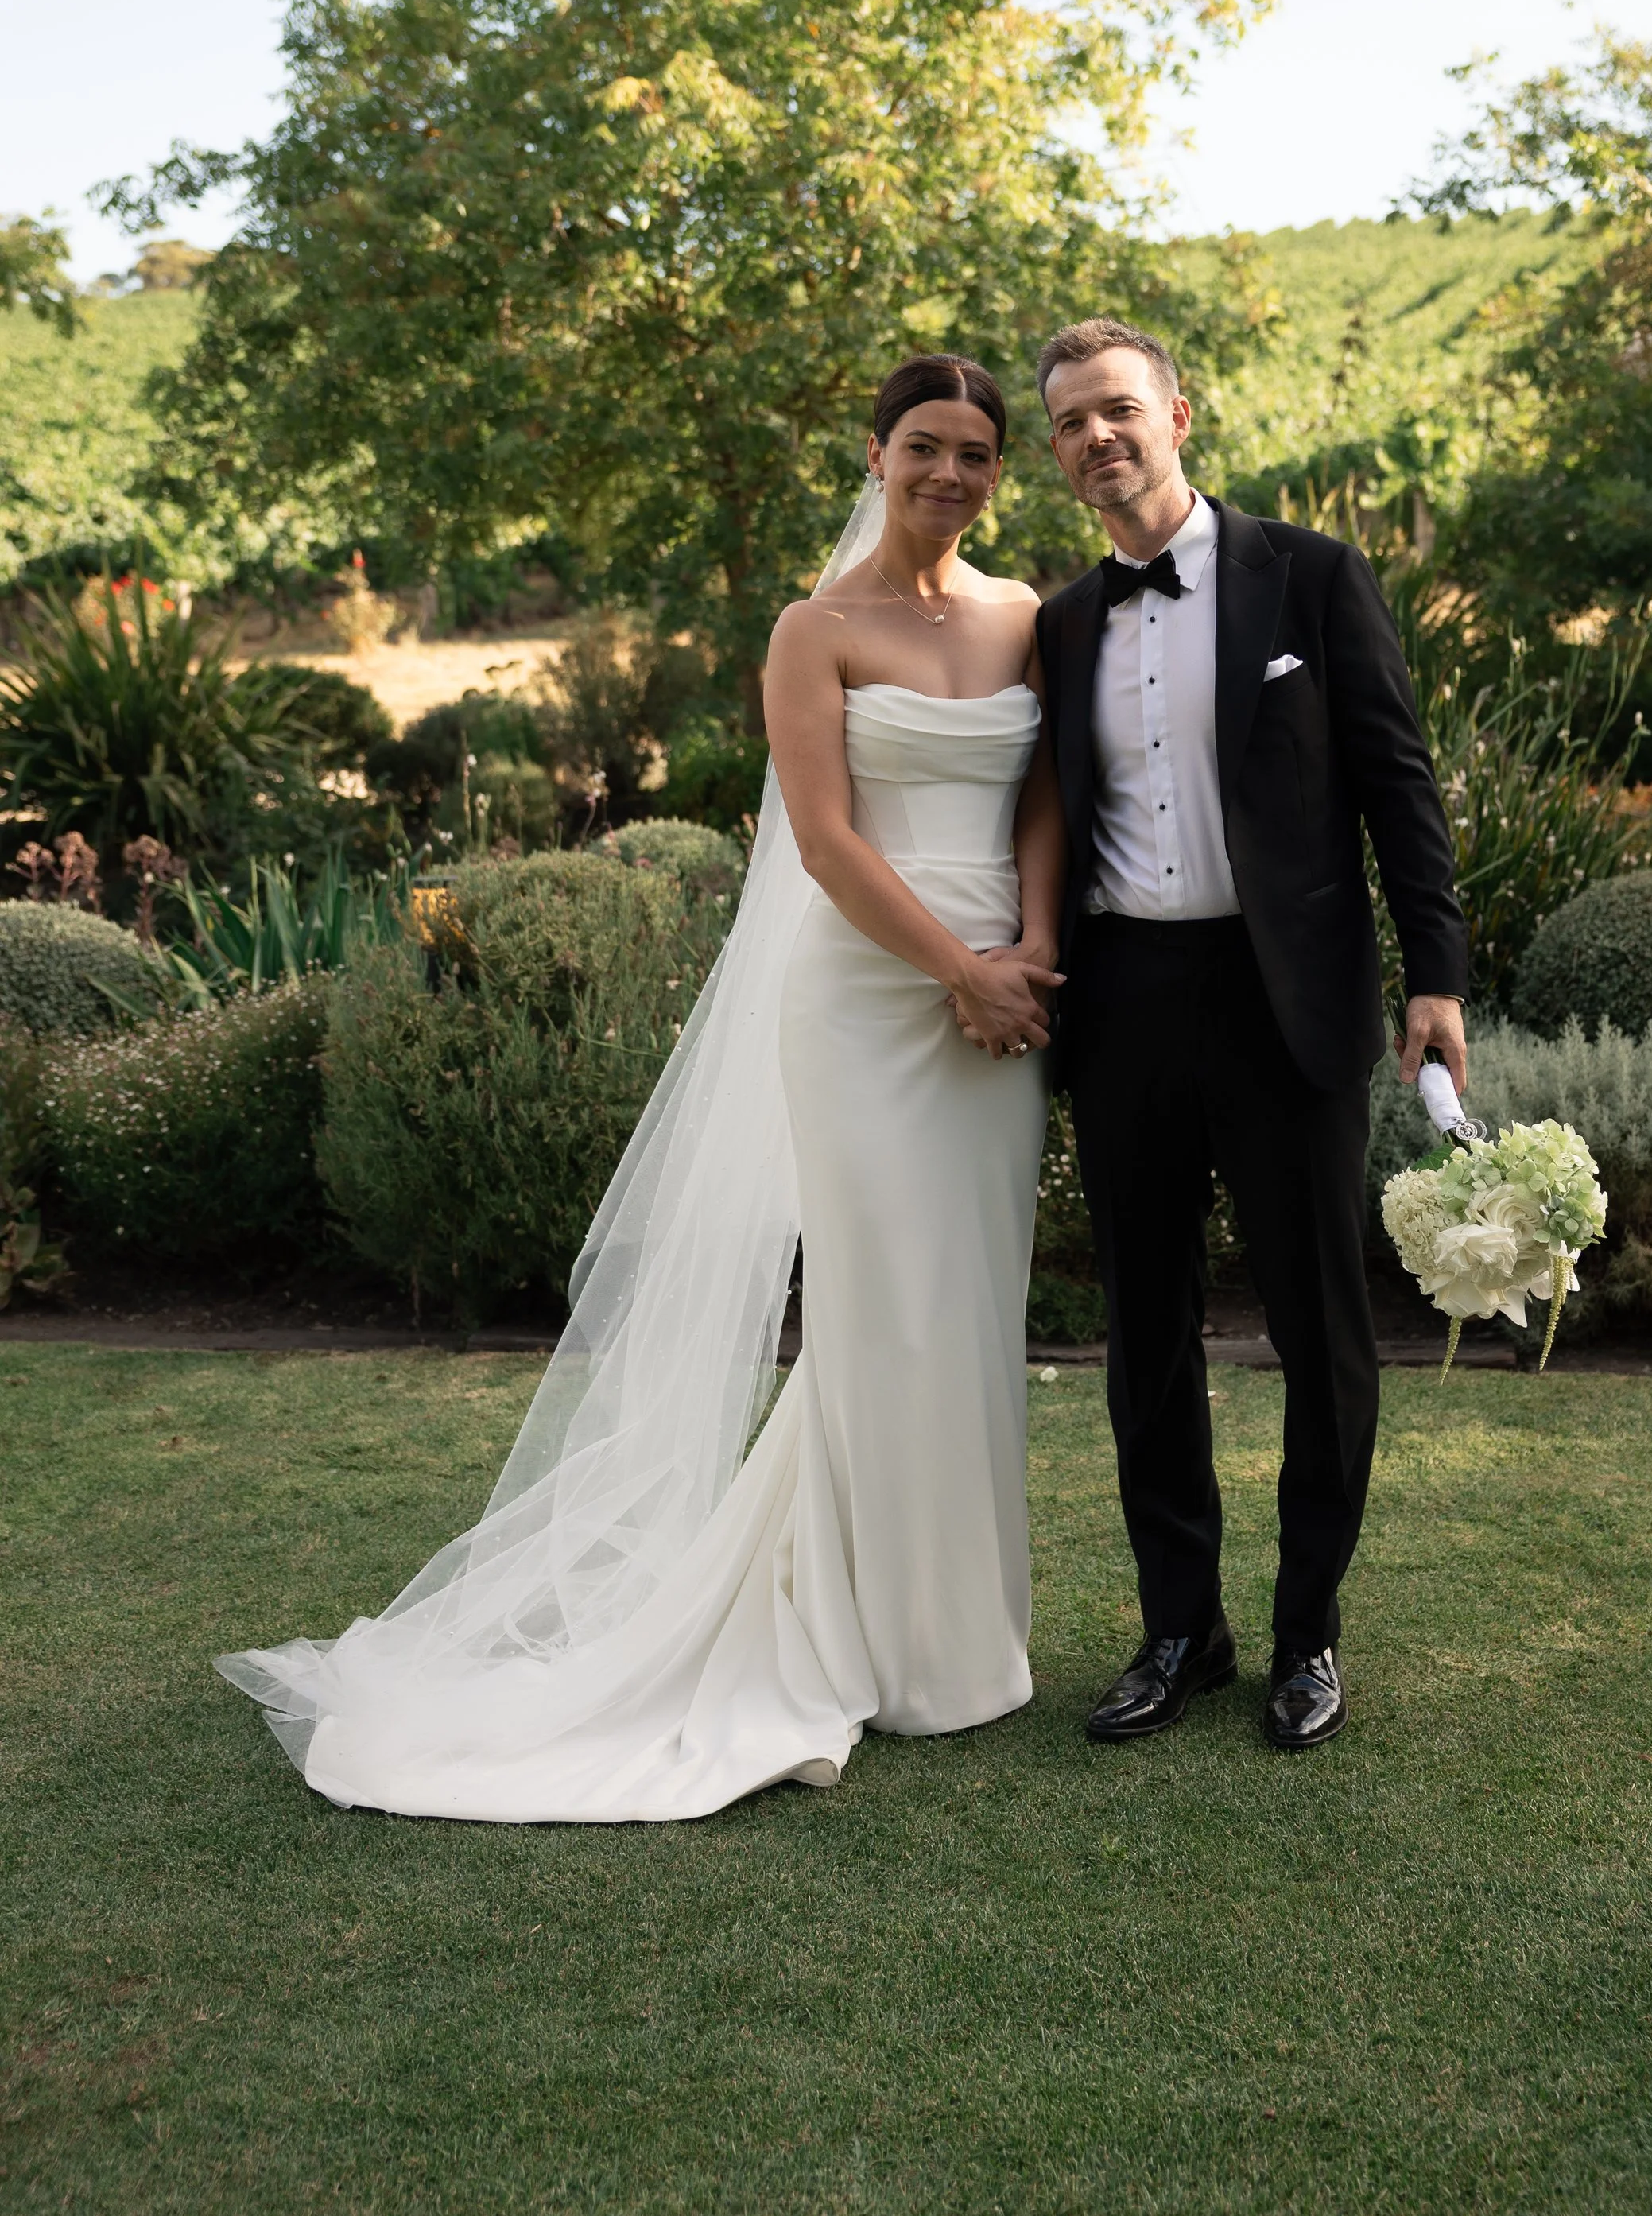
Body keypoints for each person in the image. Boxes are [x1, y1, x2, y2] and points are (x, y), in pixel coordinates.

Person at [216, 355, 1064, 1822]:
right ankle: (864, 1644)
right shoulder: (816, 628)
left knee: (975, 1307)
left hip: (1007, 994)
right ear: (874, 455)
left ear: (1001, 473)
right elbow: (826, 839)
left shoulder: (1024, 617)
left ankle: (964, 1643)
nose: (951, 473)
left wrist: (1034, 948)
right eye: (924, 445)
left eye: (978, 453)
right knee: (879, 1312)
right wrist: (958, 970)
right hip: (871, 988)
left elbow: (1046, 795)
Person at [1033, 319, 1468, 1752]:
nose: (1100, 437)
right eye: (1073, 424)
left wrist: (1436, 974)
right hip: (1127, 1006)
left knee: (1320, 1331)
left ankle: (1307, 1636)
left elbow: (1399, 786)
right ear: (1060, 455)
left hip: (1291, 1002)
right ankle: (1182, 1628)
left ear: (1176, 412)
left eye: (1118, 410)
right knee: (1145, 1333)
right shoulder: (1062, 622)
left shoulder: (1314, 576)